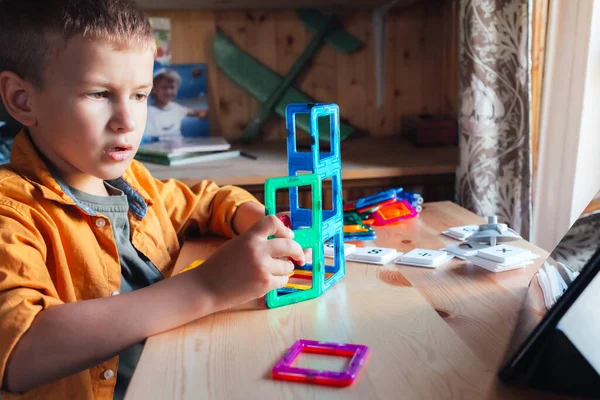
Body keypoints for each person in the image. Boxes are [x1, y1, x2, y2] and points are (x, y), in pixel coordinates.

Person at [0, 1, 304, 399]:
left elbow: (206, 200)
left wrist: (256, 221)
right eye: (98, 93)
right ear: (23, 100)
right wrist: (209, 287)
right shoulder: (11, 210)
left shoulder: (130, 180)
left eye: (140, 95)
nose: (127, 120)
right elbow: (22, 352)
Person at [145, 68, 208, 141]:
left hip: (177, 145)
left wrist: (205, 113)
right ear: (154, 89)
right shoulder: (149, 111)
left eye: (172, 87)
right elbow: (150, 137)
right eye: (164, 88)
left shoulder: (175, 107)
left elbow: (193, 112)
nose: (168, 91)